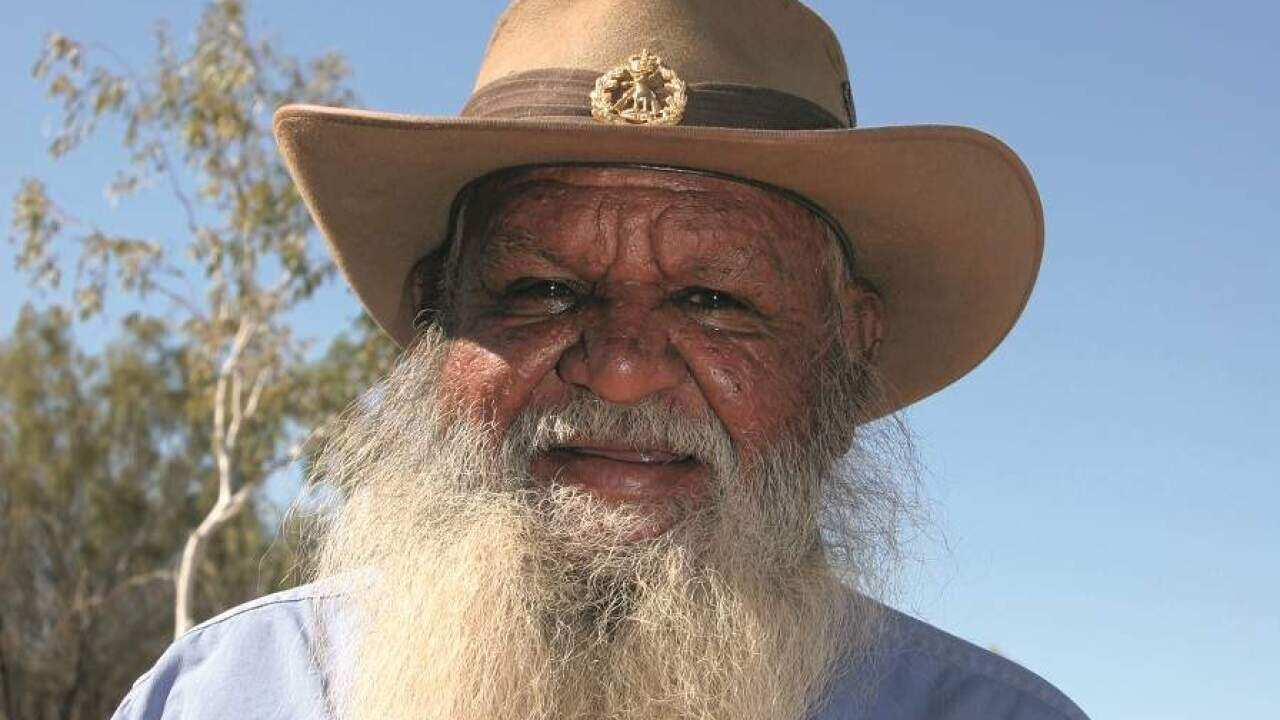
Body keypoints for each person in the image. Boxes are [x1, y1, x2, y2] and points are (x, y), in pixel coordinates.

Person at [113, 1, 1088, 718]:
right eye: (541, 291)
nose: (619, 369)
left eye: (714, 301)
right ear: (430, 323)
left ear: (847, 352)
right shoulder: (230, 693)